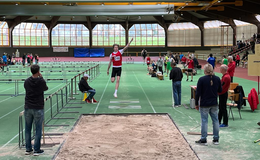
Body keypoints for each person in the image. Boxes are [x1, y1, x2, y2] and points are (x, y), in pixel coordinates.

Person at [24, 65, 48, 156]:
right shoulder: (41, 81)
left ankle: (28, 149)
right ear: (38, 71)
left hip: (28, 107)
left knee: (27, 129)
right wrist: (41, 78)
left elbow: (27, 89)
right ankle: (36, 149)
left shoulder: (26, 81)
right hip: (38, 107)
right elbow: (45, 88)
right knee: (38, 129)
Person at [195, 64, 222, 146]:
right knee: (215, 120)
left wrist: (196, 103)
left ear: (205, 70)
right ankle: (216, 139)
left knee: (204, 121)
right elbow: (220, 90)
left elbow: (198, 93)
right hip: (214, 102)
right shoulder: (217, 79)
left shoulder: (202, 79)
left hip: (204, 103)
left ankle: (203, 139)